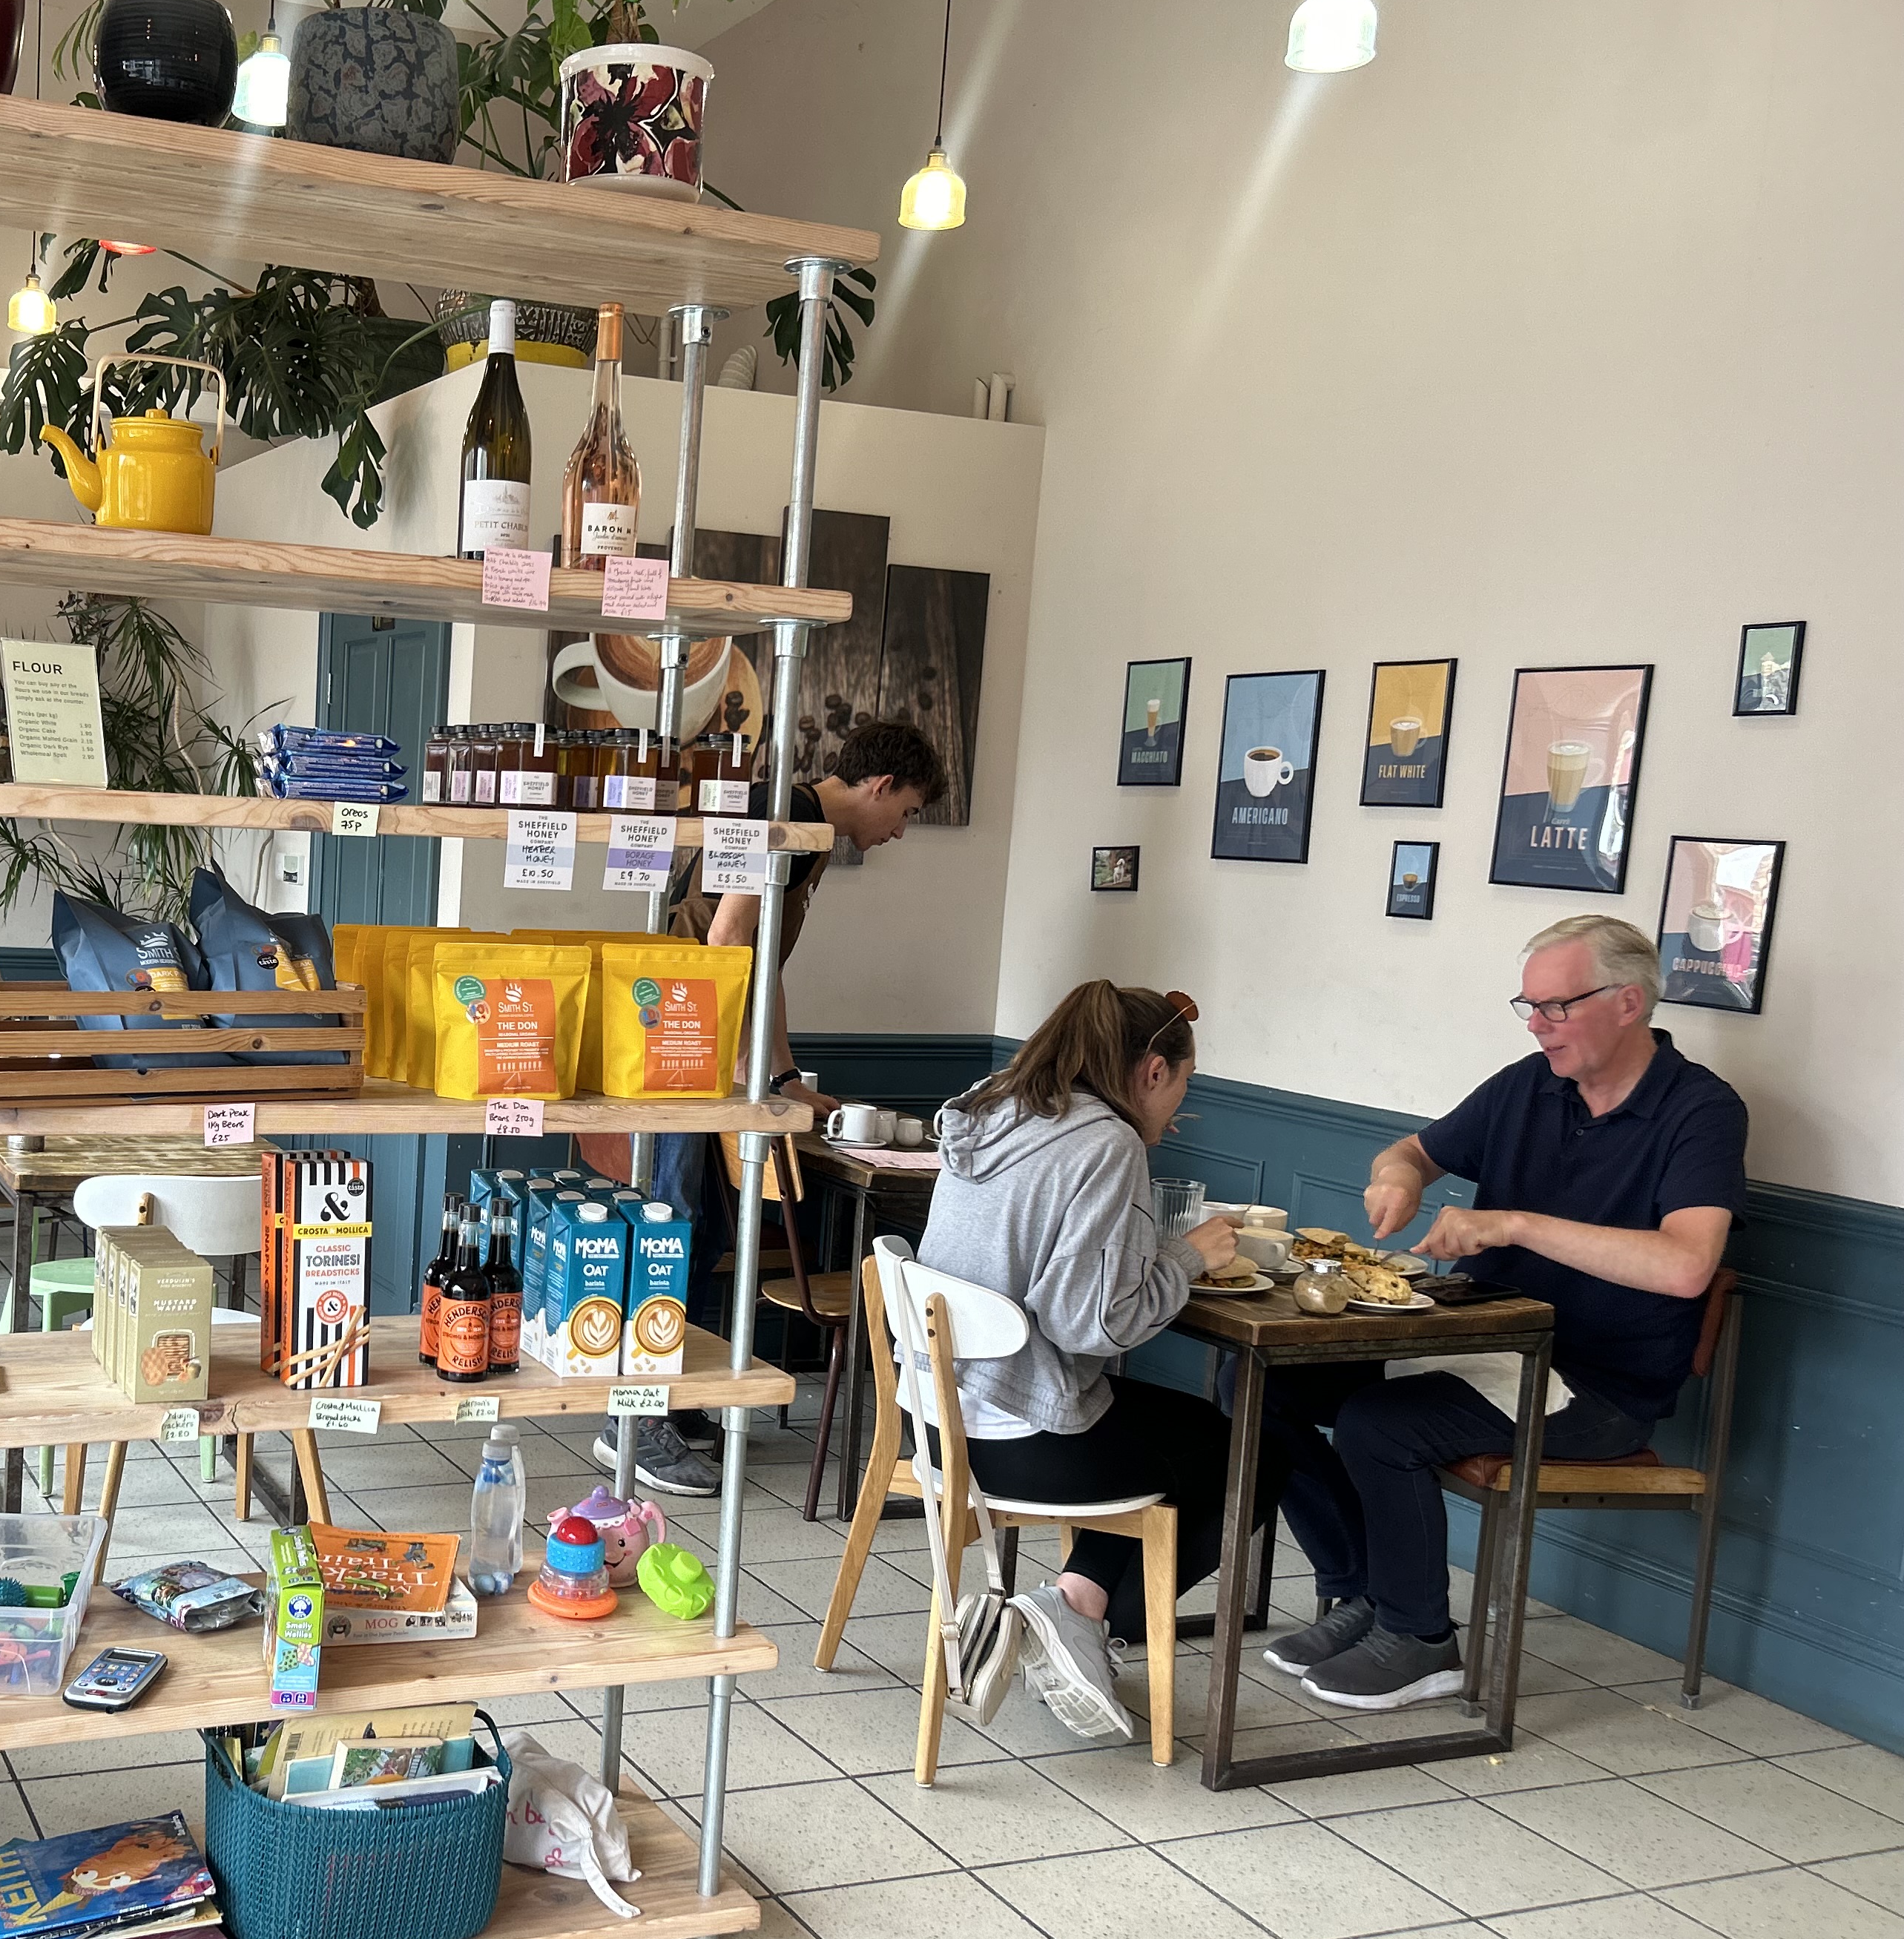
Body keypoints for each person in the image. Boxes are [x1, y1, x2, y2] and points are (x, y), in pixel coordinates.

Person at [1257, 915, 1747, 1713]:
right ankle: (1366, 1593)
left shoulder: (1701, 1110)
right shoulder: (1531, 1083)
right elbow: (1413, 1151)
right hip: (1474, 1342)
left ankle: (1421, 1641)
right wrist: (1397, 1177)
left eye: (1557, 1007)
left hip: (1595, 1387)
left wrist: (1515, 1225)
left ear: (1629, 1003)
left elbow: (1687, 1265)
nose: (1537, 1025)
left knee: (1380, 1424)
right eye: (1529, 1006)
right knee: (1261, 1384)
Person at [913, 980, 1287, 1742]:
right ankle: (1079, 1617)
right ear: (1154, 1071)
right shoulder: (1106, 1144)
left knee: (1188, 1438)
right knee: (1249, 1456)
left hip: (934, 1418)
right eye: (1184, 1086)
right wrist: (1187, 1257)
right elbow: (1093, 1325)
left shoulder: (992, 1106)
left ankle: (1074, 1611)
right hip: (1018, 1438)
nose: (1179, 1107)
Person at [612, 717, 946, 1499]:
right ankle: (634, 1422)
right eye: (906, 812)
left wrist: (784, 1074)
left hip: (697, 1046)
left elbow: (764, 962)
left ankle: (672, 1398)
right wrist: (741, 1066)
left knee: (703, 1231)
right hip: (681, 1050)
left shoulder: (806, 827)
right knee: (673, 1229)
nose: (900, 832)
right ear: (880, 786)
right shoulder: (790, 818)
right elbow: (729, 937)